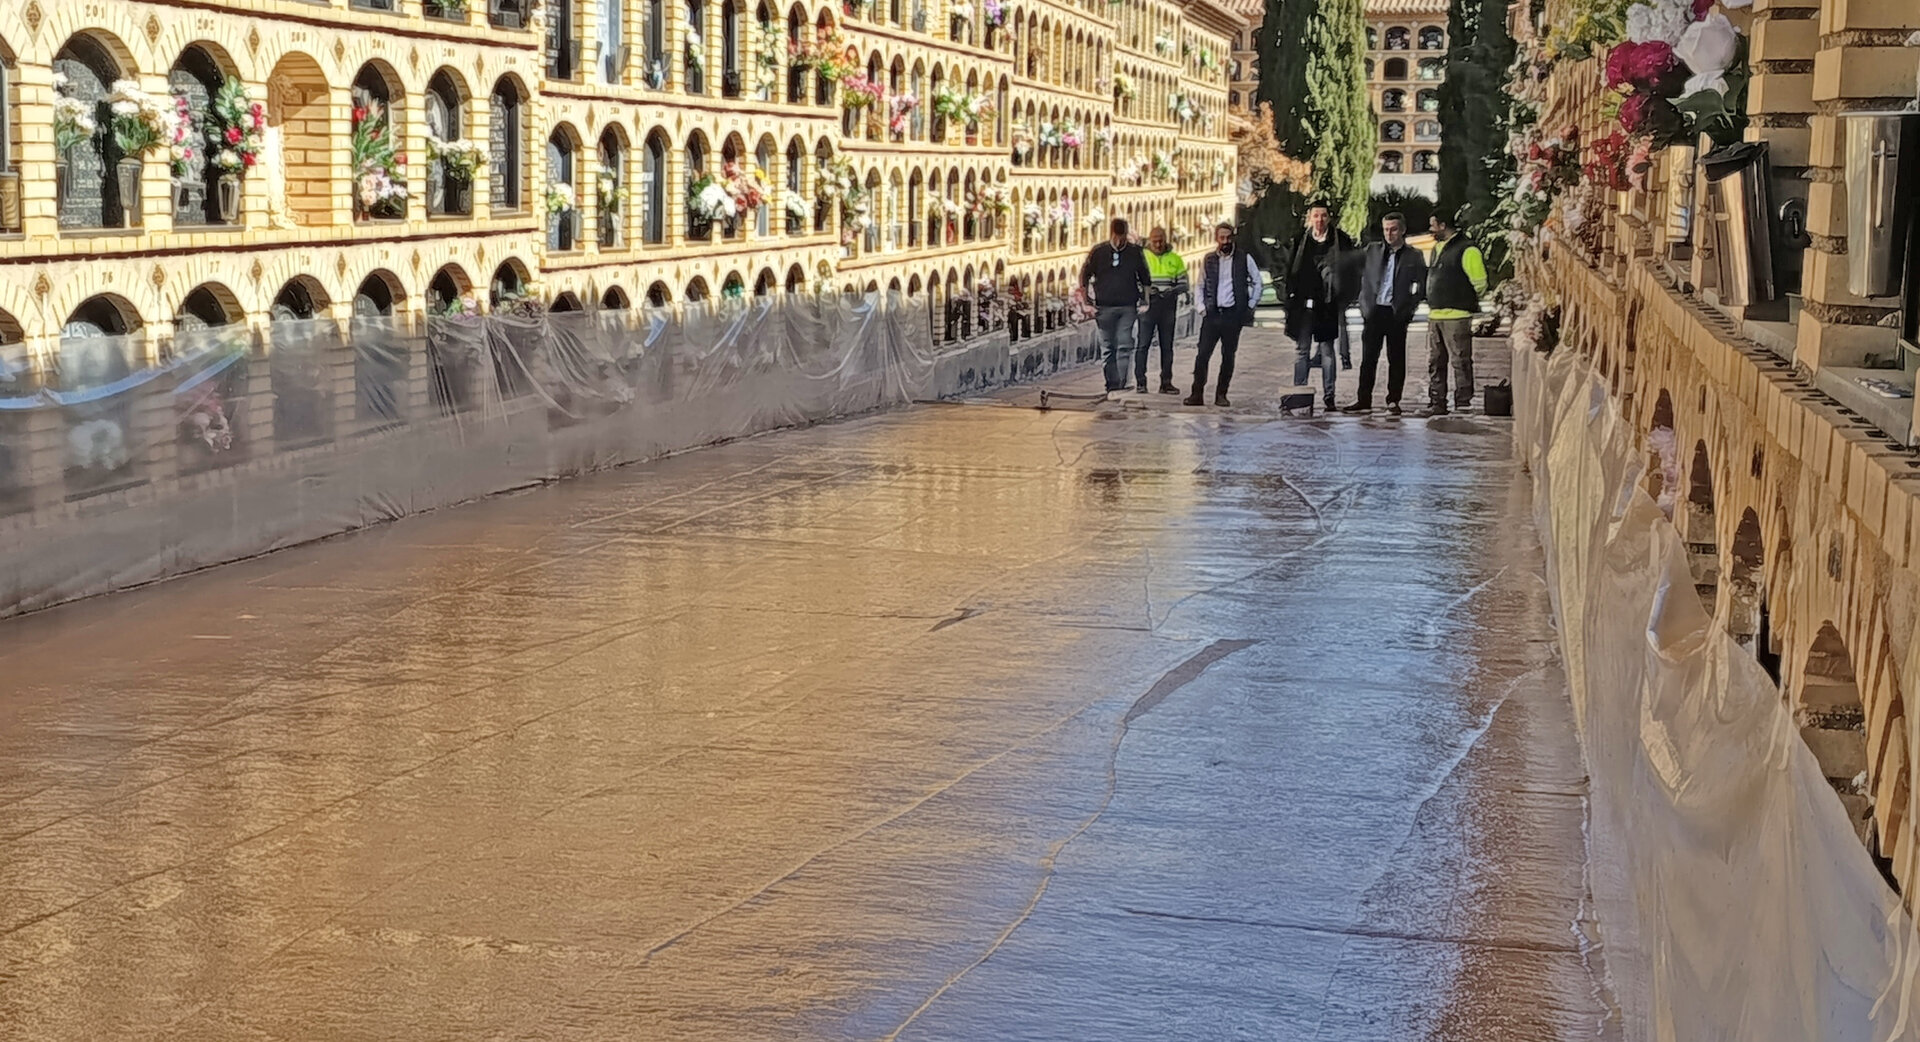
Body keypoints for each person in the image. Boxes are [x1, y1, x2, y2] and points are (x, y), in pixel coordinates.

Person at [1342, 211, 1428, 415]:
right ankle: (1363, 400)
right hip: (1374, 311)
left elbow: (1421, 285)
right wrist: (1362, 302)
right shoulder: (1372, 250)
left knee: (1396, 358)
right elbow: (1354, 273)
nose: (1389, 233)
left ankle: (1393, 400)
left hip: (1396, 313)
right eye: (1386, 229)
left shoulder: (1413, 256)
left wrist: (1410, 307)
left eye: (1394, 229)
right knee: (1368, 358)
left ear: (1403, 230)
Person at [1284, 203, 1356, 411]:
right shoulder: (1300, 240)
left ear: (1329, 218)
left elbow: (1351, 272)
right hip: (1303, 305)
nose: (1320, 220)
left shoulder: (1340, 241)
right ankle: (1299, 393)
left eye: (1323, 216)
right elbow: (1290, 270)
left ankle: (1329, 396)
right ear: (1310, 218)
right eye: (1316, 215)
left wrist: (1344, 296)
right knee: (1301, 350)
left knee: (1327, 351)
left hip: (1328, 305)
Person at [1184, 223, 1264, 408]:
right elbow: (1200, 284)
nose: (1225, 241)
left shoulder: (1244, 258)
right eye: (1222, 238)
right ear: (1216, 239)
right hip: (1212, 315)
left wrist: (1249, 305)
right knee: (1202, 355)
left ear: (1233, 238)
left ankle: (1222, 394)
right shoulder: (1209, 259)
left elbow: (1257, 282)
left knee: (1228, 356)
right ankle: (1197, 394)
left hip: (1232, 315)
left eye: (1228, 237)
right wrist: (1201, 307)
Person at [1423, 208, 1488, 417]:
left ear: (1443, 226)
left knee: (1460, 360)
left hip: (1457, 316)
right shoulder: (1437, 248)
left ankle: (1463, 401)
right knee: (1435, 361)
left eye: (1433, 225)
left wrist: (1462, 298)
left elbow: (1480, 282)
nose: (1431, 229)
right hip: (1436, 315)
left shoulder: (1467, 250)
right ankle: (1437, 401)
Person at [1079, 216, 1151, 394]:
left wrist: (1146, 301)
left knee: (1124, 344)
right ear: (1112, 233)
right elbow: (1085, 275)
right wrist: (1086, 301)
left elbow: (1145, 278)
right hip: (1104, 306)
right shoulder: (1099, 252)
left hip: (1127, 305)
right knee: (1108, 347)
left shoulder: (1135, 252)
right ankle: (1111, 383)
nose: (1120, 241)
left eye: (1123, 237)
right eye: (1118, 237)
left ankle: (1121, 383)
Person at [1136, 226, 1189, 394]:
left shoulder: (1175, 259)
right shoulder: (1142, 258)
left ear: (1165, 239)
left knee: (1167, 346)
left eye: (1161, 241)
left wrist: (1173, 290)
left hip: (1167, 306)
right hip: (1148, 307)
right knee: (1143, 345)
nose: (1158, 245)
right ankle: (1141, 382)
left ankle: (1166, 382)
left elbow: (1184, 283)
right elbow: (1134, 281)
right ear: (1150, 240)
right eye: (1155, 241)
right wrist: (1146, 290)